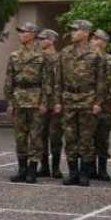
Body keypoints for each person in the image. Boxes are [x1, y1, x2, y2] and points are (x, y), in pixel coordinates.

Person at [56, 19, 105, 186]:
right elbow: (58, 79)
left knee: (86, 138)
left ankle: (85, 173)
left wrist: (98, 102)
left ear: (85, 33)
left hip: (87, 98)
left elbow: (101, 81)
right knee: (70, 137)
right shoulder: (65, 52)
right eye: (71, 30)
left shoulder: (95, 53)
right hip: (69, 98)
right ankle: (73, 173)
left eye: (75, 30)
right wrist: (58, 100)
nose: (72, 33)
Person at [3, 23, 49, 183]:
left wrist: (44, 102)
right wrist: (9, 101)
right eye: (20, 32)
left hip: (36, 99)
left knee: (35, 137)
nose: (21, 34)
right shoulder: (14, 55)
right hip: (18, 99)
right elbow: (9, 80)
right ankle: (21, 169)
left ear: (33, 34)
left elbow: (48, 81)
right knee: (20, 137)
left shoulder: (42, 56)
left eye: (24, 32)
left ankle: (32, 170)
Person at [38, 28, 64, 178]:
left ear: (51, 40)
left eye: (43, 39)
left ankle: (56, 168)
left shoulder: (58, 58)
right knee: (41, 136)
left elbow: (60, 82)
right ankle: (44, 167)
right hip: (41, 101)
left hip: (54, 102)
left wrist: (58, 101)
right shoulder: (38, 57)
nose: (41, 42)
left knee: (55, 137)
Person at [91, 29, 111, 181]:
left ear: (104, 42)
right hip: (87, 102)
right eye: (93, 38)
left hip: (105, 105)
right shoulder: (87, 58)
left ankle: (102, 169)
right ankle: (90, 168)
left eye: (96, 39)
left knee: (102, 137)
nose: (93, 41)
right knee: (87, 137)